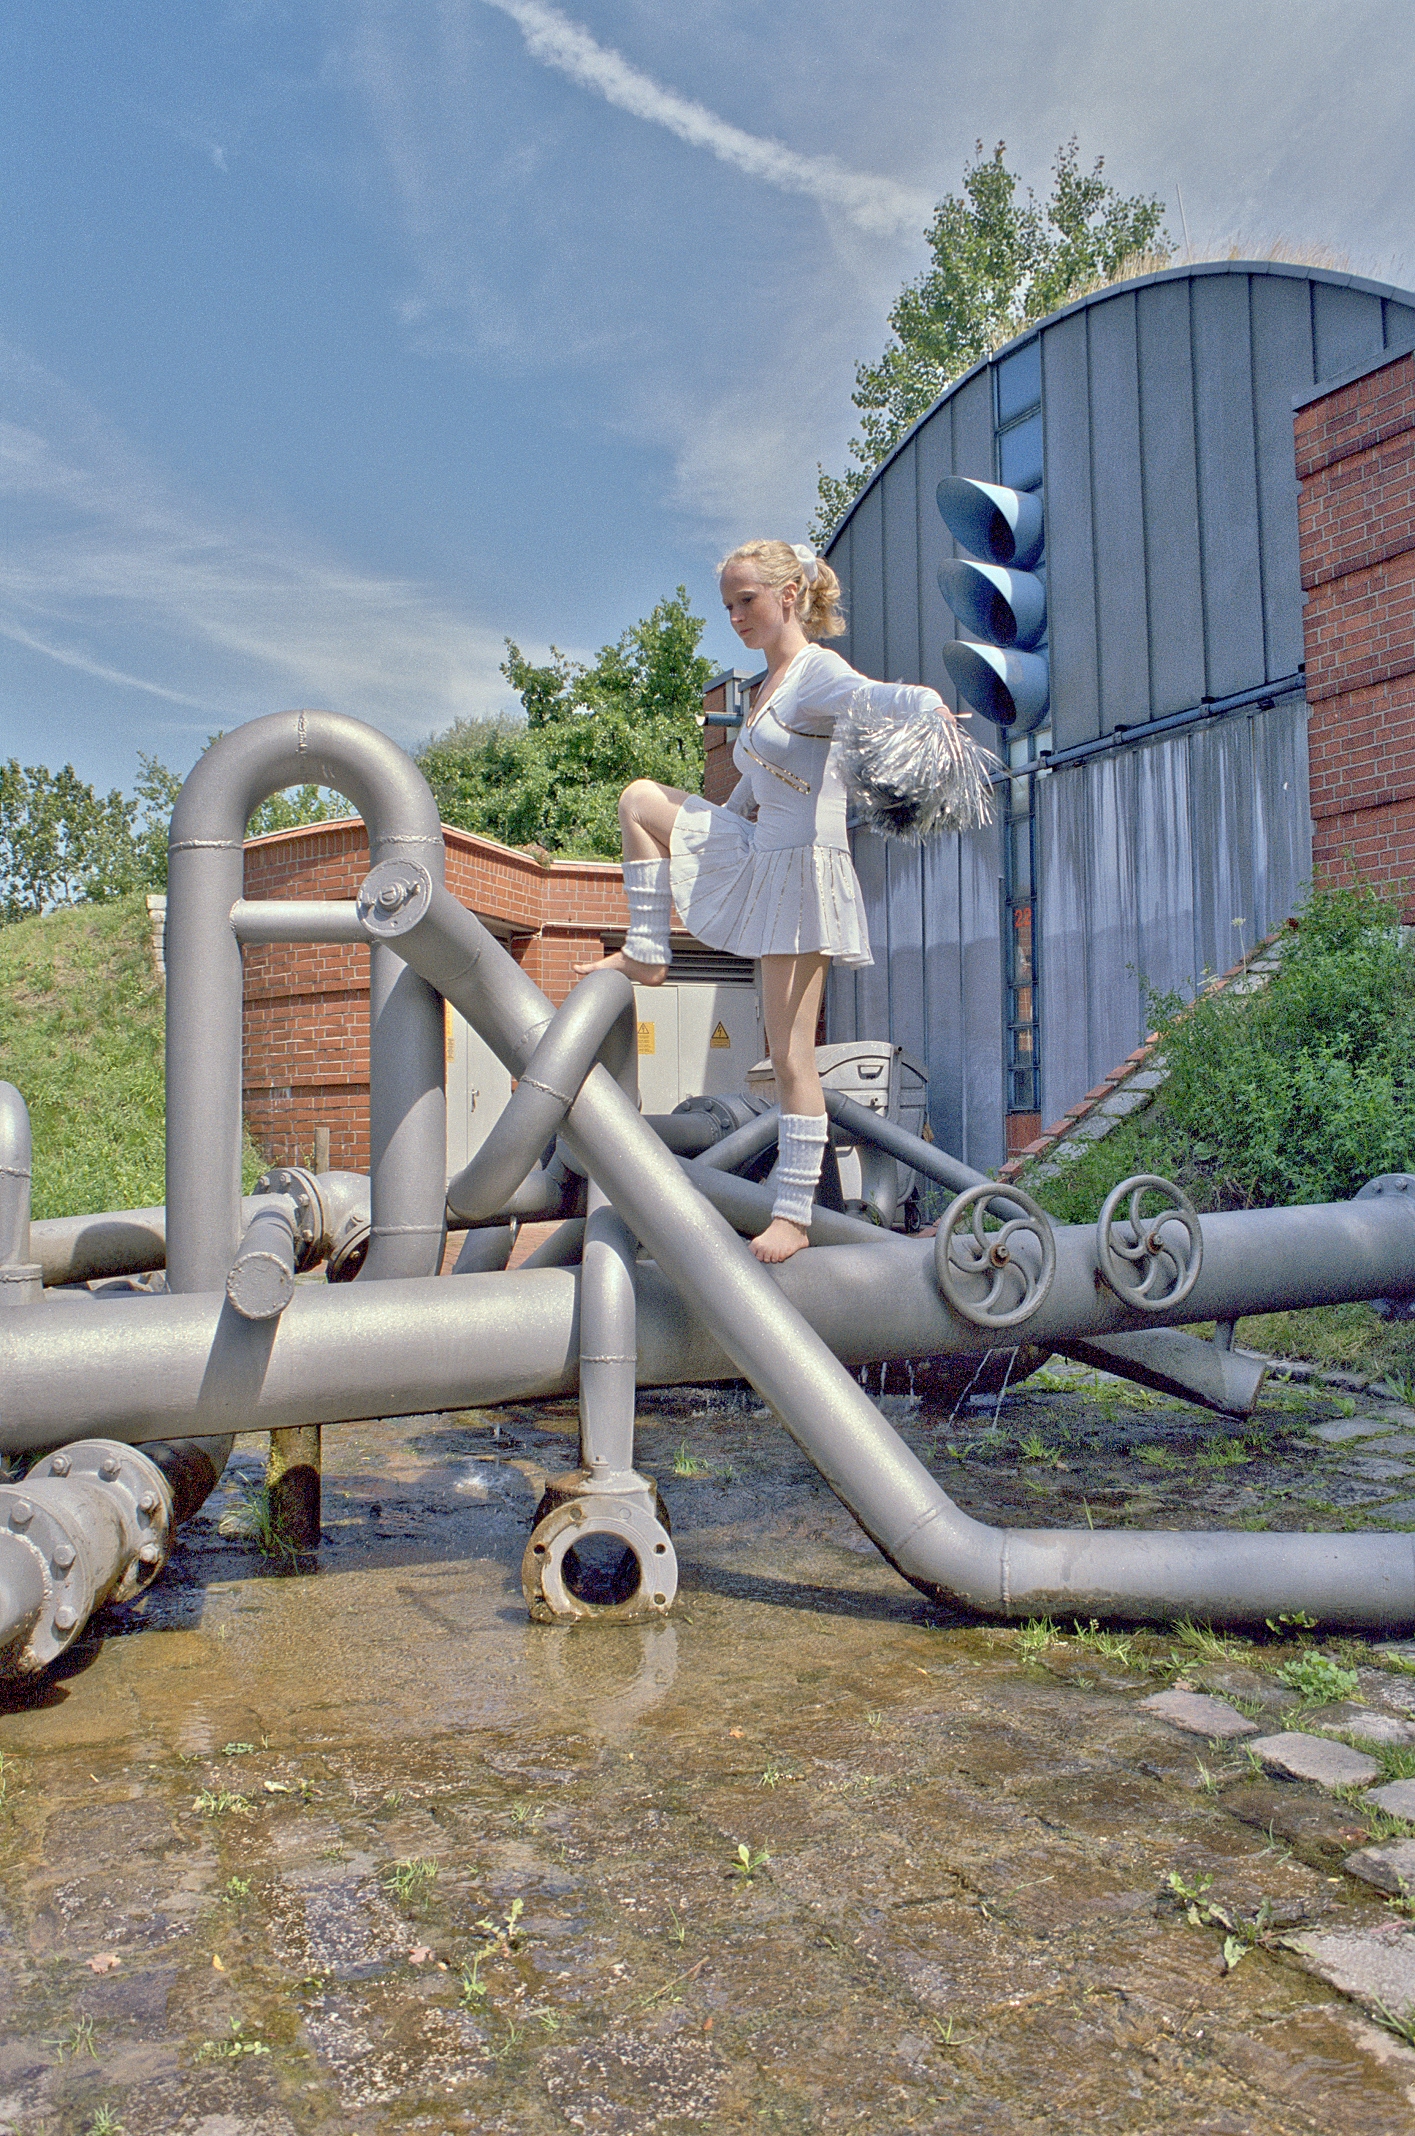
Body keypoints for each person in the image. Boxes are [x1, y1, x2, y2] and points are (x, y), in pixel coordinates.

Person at [580, 538, 967, 1263]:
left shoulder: (816, 672)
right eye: (726, 605)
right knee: (639, 799)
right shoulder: (768, 686)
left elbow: (875, 697)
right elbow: (751, 791)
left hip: (800, 874)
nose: (734, 616)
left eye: (746, 601)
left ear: (787, 596)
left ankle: (793, 1215)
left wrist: (927, 705)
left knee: (789, 1056)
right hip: (759, 850)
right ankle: (645, 952)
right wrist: (704, 832)